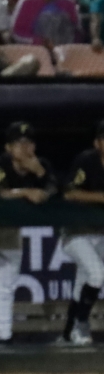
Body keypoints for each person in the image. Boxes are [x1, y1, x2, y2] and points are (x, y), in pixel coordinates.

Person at [0, 121, 56, 344]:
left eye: (28, 143)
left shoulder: (41, 165)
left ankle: (4, 335)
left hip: (12, 232)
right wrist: (27, 191)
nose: (25, 148)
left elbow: (55, 189)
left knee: (6, 287)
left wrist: (40, 175)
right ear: (9, 147)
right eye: (19, 143)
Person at [59, 120, 104, 346]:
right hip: (75, 232)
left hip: (100, 233)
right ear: (97, 142)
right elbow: (69, 193)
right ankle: (83, 324)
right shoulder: (87, 160)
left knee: (83, 282)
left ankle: (68, 333)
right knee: (97, 274)